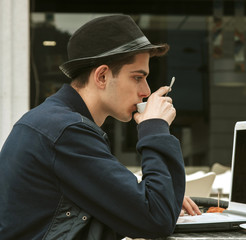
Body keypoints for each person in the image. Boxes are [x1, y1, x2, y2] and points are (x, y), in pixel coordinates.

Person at [0, 14, 200, 240]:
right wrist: (154, 128)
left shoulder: (55, 121)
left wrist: (159, 193)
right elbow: (156, 220)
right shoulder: (67, 131)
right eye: (137, 77)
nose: (146, 91)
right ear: (102, 76)